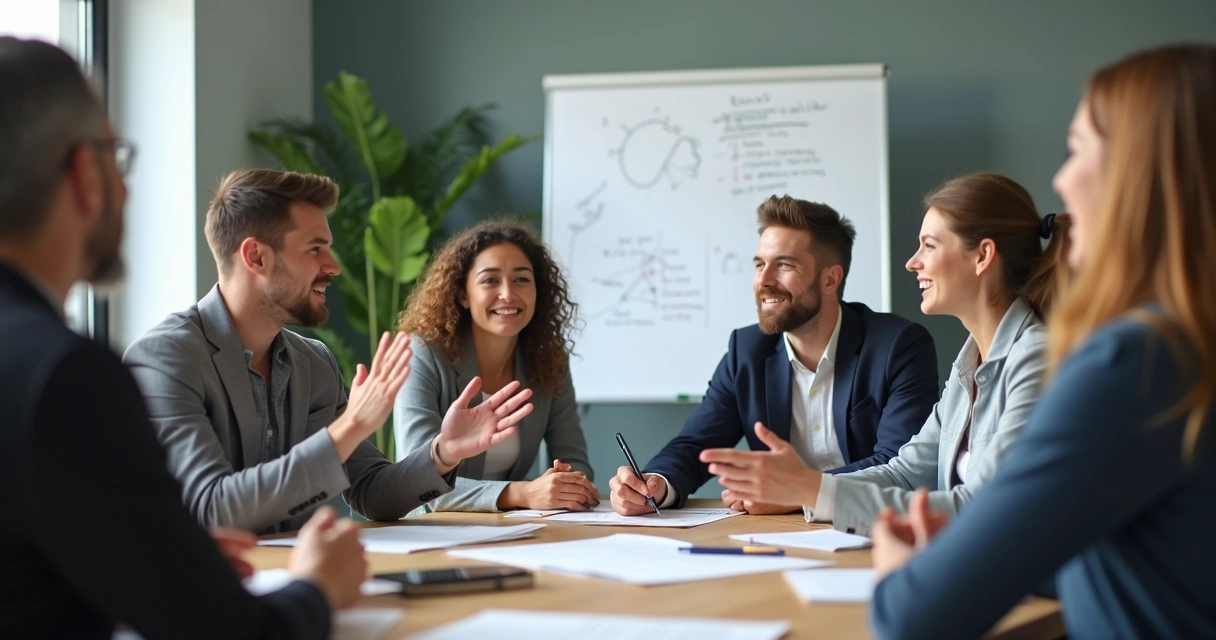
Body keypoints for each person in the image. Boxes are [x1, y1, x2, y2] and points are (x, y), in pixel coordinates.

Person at [0, 36, 365, 639]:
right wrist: (318, 587)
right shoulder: (67, 377)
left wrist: (148, 562)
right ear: (85, 175)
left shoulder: (310, 360)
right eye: (116, 157)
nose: (127, 189)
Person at [869, 44, 1216, 640]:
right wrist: (980, 547)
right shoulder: (1188, 346)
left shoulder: (1133, 362)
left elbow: (910, 618)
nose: (1060, 180)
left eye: (1076, 150)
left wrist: (906, 572)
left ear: (1140, 174)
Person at [124, 169, 532, 533]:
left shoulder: (312, 362)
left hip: (297, 580)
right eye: (315, 249)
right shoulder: (165, 360)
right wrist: (350, 425)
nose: (333, 265)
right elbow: (211, 509)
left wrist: (443, 453)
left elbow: (371, 491)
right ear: (256, 256)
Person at [704, 174, 1068, 534]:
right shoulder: (969, 365)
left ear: (983, 256)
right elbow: (905, 474)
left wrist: (810, 489)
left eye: (929, 246)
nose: (912, 262)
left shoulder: (1037, 360)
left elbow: (982, 509)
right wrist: (803, 489)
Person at [610, 196, 940, 516]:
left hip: (872, 527)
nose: (763, 280)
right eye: (759, 265)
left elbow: (900, 467)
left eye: (783, 265)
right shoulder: (746, 351)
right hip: (776, 536)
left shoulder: (897, 346)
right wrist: (656, 484)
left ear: (830, 279)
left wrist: (799, 492)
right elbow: (695, 445)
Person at [395, 220, 597, 512]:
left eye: (521, 279)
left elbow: (576, 462)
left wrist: (564, 482)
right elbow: (419, 481)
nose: (508, 294)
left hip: (510, 530)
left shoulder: (549, 360)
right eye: (490, 280)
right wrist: (522, 493)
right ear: (463, 294)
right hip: (429, 531)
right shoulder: (423, 353)